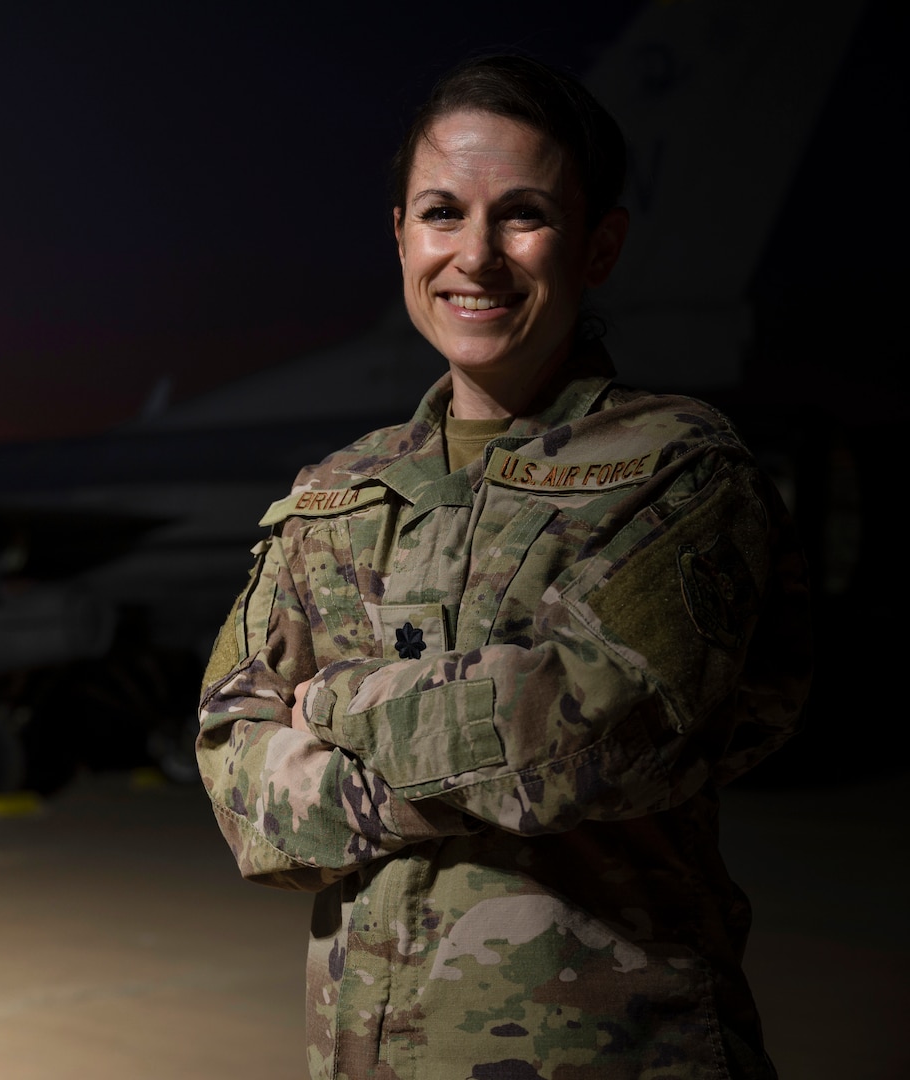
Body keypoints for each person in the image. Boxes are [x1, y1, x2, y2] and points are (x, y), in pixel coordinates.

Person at [196, 54, 811, 1079]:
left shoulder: (678, 475)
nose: (474, 258)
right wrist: (473, 747)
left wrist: (340, 711)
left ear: (598, 245)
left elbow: (588, 732)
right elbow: (233, 773)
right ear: (401, 235)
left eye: (521, 215)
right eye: (443, 213)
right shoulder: (333, 494)